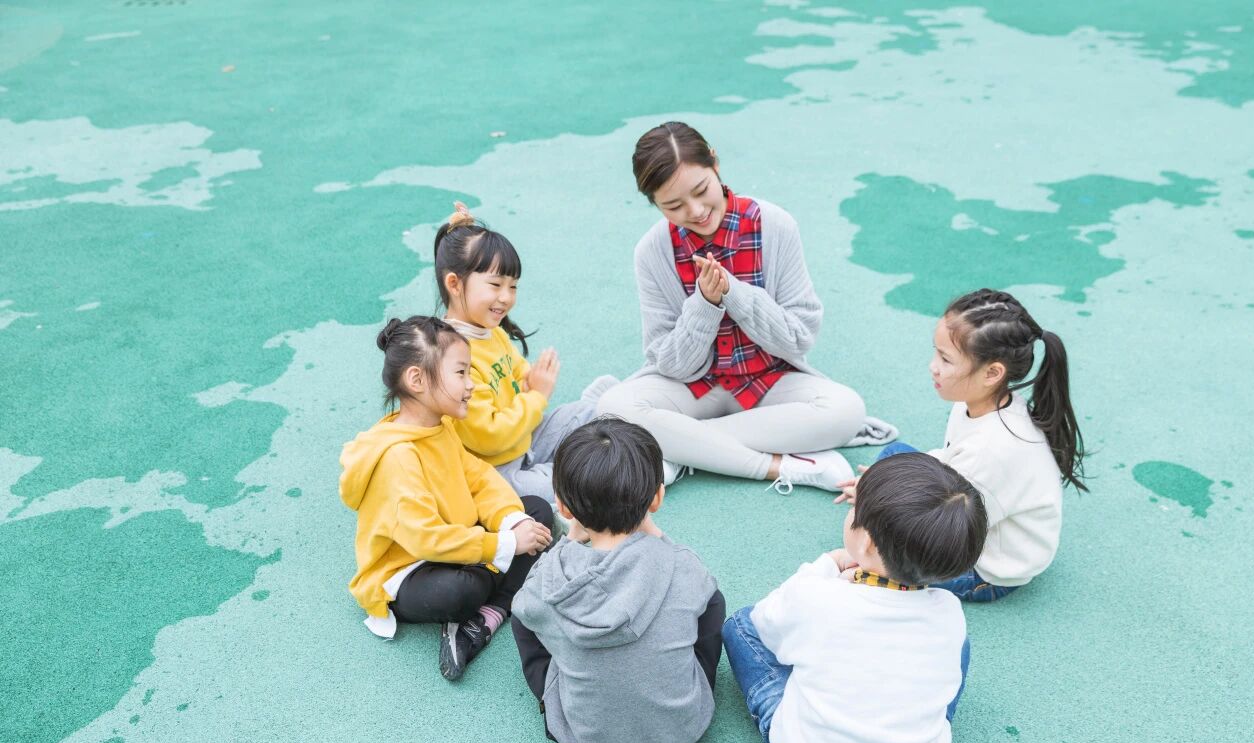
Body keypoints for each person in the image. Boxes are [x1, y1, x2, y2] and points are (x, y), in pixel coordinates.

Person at [596, 121, 896, 494]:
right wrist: (705, 305)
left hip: (769, 381)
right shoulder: (651, 251)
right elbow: (669, 364)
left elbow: (798, 337)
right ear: (654, 203)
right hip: (693, 387)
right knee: (612, 407)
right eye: (673, 205)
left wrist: (733, 294)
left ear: (715, 163)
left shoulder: (775, 225)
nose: (696, 210)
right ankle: (778, 466)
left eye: (701, 190)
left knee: (847, 410)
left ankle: (678, 446)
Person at [723, 452, 986, 743]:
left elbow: (765, 621)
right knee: (958, 647)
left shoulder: (818, 598)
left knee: (739, 626)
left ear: (868, 545)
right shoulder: (949, 612)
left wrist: (827, 565)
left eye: (854, 511)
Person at [339, 315, 554, 681]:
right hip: (412, 568)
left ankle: (484, 619)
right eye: (461, 373)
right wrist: (503, 545)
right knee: (457, 592)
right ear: (417, 380)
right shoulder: (398, 457)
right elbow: (426, 539)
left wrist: (512, 522)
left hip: (460, 540)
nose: (471, 384)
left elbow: (479, 478)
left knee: (536, 512)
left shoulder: (440, 427)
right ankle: (490, 601)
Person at [836, 288, 1087, 601]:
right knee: (893, 456)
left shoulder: (991, 453)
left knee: (884, 554)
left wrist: (875, 502)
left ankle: (869, 573)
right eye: (936, 353)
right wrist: (879, 486)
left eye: (946, 359)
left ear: (992, 373)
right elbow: (949, 461)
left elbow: (948, 527)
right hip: (967, 496)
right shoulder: (982, 403)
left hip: (985, 568)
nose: (933, 366)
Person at [510, 417, 725, 743]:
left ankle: (553, 696)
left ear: (563, 508)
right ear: (657, 497)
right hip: (685, 729)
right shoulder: (683, 564)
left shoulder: (550, 580)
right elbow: (706, 595)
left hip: (585, 740)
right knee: (711, 602)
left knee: (525, 619)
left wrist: (568, 541)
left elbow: (523, 607)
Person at [436, 202, 617, 505]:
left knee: (594, 412)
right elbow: (489, 436)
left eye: (513, 287)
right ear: (454, 283)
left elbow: (518, 374)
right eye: (495, 285)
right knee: (562, 487)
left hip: (525, 436)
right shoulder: (452, 356)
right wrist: (537, 396)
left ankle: (583, 463)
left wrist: (531, 382)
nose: (506, 297)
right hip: (493, 470)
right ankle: (580, 471)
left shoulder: (490, 330)